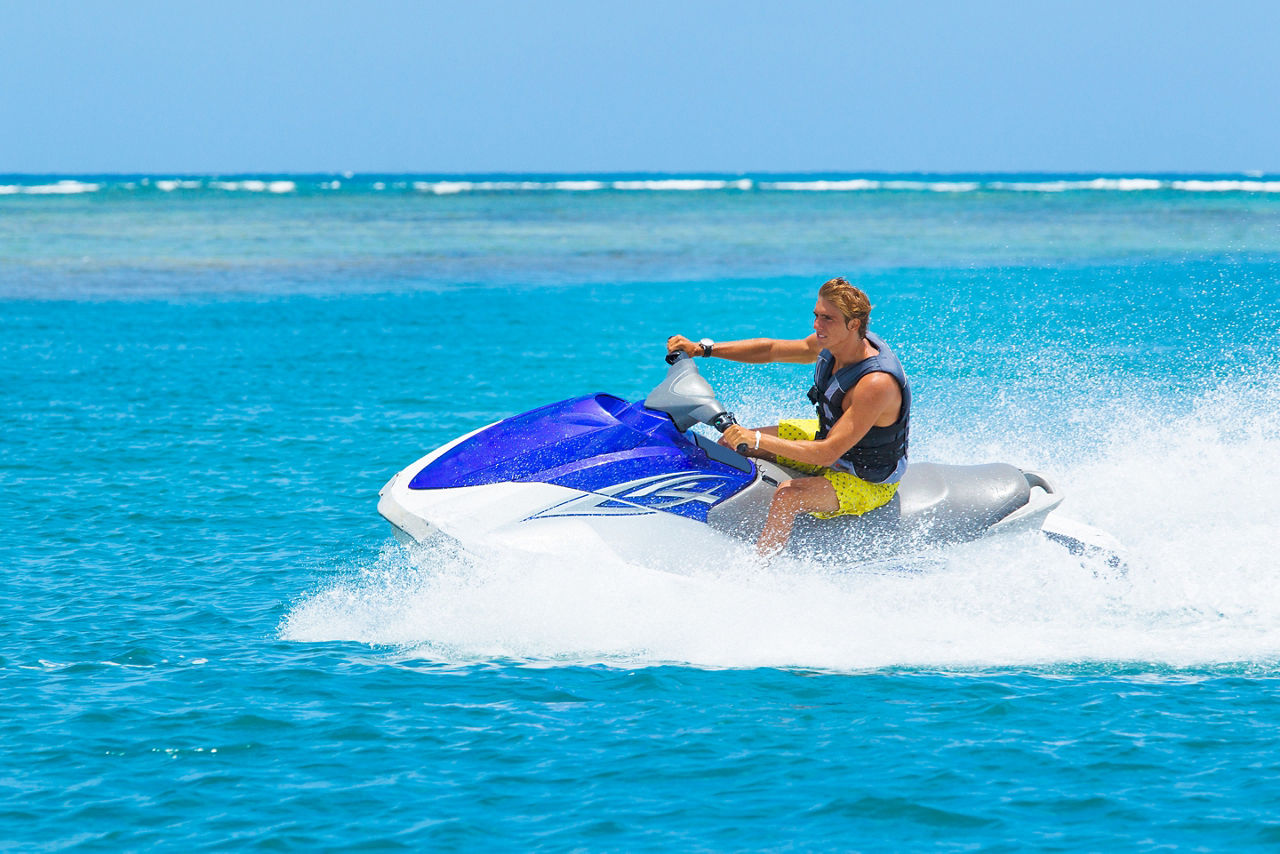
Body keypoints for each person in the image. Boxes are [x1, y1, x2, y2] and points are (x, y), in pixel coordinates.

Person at [666, 277, 911, 557]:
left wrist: (756, 438)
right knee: (729, 443)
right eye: (816, 315)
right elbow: (771, 350)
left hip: (864, 477)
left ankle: (763, 572)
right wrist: (703, 349)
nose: (817, 325)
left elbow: (827, 454)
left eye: (827, 318)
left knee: (787, 496)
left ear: (853, 324)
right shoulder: (835, 342)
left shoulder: (875, 384)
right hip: (827, 436)